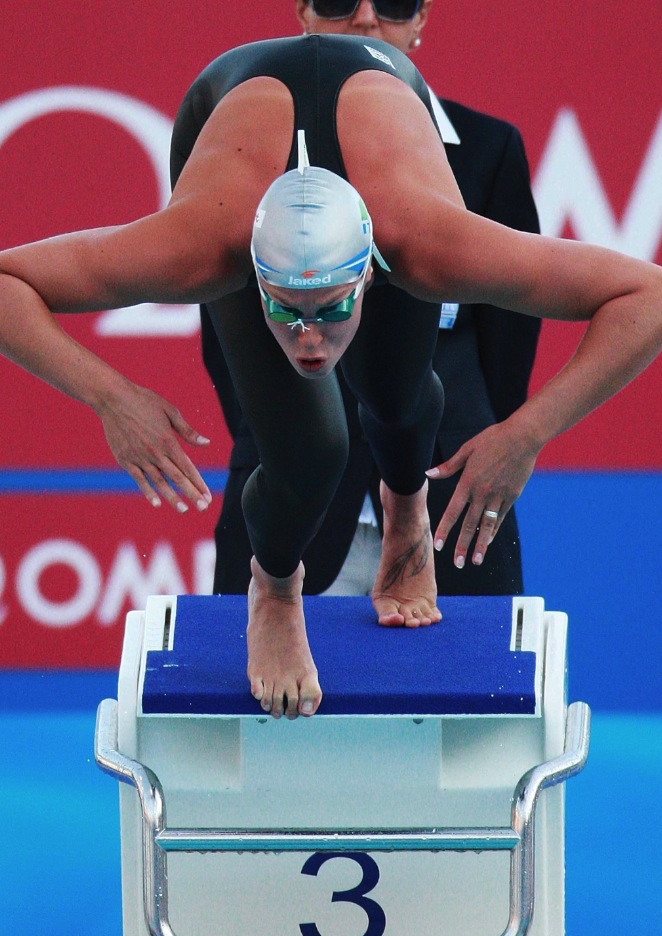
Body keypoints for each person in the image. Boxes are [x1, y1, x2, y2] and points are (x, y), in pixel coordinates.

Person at [0, 35, 662, 723]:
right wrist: (109, 393)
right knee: (309, 449)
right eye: (285, 309)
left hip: (385, 133)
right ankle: (274, 589)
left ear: (370, 272)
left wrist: (527, 431)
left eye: (332, 308)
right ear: (254, 275)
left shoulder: (430, 242)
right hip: (230, 113)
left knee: (399, 392)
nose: (308, 339)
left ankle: (406, 509)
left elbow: (660, 295)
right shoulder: (207, 243)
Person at [197, 0, 541, 598]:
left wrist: (491, 436)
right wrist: (279, 434)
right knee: (257, 691)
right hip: (289, 495)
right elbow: (227, 328)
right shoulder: (246, 151)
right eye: (336, 1)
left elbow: (510, 341)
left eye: (391, 4)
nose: (364, 21)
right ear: (300, 15)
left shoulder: (488, 148)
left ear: (420, 22)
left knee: (463, 693)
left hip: (449, 499)